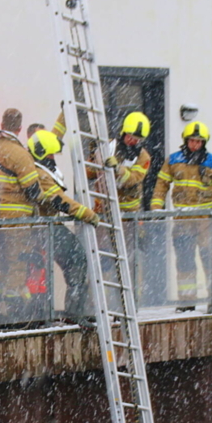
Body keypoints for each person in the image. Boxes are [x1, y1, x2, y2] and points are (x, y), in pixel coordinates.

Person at [150, 121, 212, 312]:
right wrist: (156, 206)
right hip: (182, 220)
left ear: (204, 143)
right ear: (186, 141)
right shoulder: (173, 160)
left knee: (211, 259)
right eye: (192, 141)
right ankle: (187, 301)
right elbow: (161, 184)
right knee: (185, 261)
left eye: (199, 141)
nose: (195, 145)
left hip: (206, 220)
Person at [26, 129, 99, 318]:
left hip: (44, 225)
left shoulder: (37, 168)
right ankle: (75, 310)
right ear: (42, 154)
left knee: (73, 260)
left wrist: (63, 114)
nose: (53, 158)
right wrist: (87, 214)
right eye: (51, 154)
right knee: (77, 258)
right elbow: (60, 201)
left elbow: (57, 130)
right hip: (44, 227)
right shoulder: (40, 174)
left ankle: (73, 309)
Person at [100, 111, 152, 214]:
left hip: (129, 211)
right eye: (130, 136)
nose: (132, 141)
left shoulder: (143, 157)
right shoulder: (109, 146)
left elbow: (133, 179)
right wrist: (95, 156)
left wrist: (118, 169)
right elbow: (90, 173)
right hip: (103, 207)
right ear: (123, 132)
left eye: (137, 139)